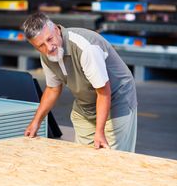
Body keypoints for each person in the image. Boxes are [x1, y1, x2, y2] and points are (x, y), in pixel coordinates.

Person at [23, 12, 137, 152]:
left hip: (116, 100)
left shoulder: (86, 48)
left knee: (109, 159)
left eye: (50, 39)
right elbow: (52, 89)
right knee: (83, 157)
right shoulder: (47, 56)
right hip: (86, 105)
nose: (49, 47)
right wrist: (36, 122)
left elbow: (103, 92)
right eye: (41, 45)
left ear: (57, 30)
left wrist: (99, 132)